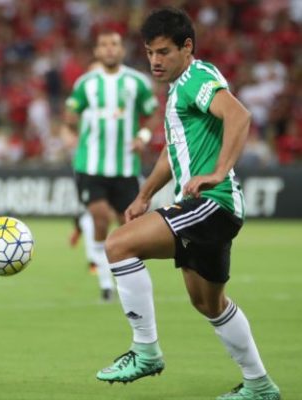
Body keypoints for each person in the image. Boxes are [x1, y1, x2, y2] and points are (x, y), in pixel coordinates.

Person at [95, 8, 280, 400]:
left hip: (212, 201)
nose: (155, 61)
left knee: (119, 245)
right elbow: (173, 151)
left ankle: (145, 351)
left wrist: (218, 171)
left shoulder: (197, 77)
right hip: (213, 208)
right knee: (209, 303)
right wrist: (144, 195)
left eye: (163, 52)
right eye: (149, 52)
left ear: (187, 47)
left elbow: (239, 116)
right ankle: (260, 385)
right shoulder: (180, 88)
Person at [64, 31, 160, 302]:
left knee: (128, 225)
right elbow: (71, 114)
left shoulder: (137, 82)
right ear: (96, 51)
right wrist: (80, 126)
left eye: (114, 44)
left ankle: (128, 278)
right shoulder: (86, 83)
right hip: (90, 165)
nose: (109, 49)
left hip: (126, 167)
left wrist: (142, 137)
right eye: (104, 45)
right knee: (99, 217)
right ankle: (105, 282)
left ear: (122, 50)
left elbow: (152, 112)